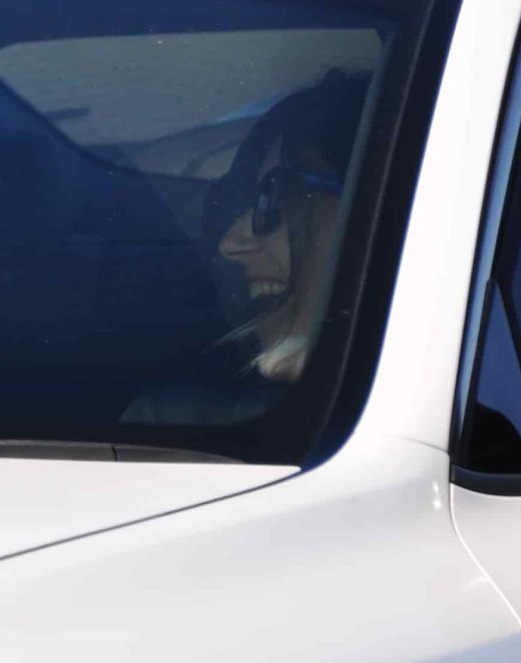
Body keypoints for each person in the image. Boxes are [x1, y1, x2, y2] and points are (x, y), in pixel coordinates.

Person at [130, 68, 369, 425]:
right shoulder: (181, 412)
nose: (231, 243)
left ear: (372, 206)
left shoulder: (184, 416)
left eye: (271, 197)